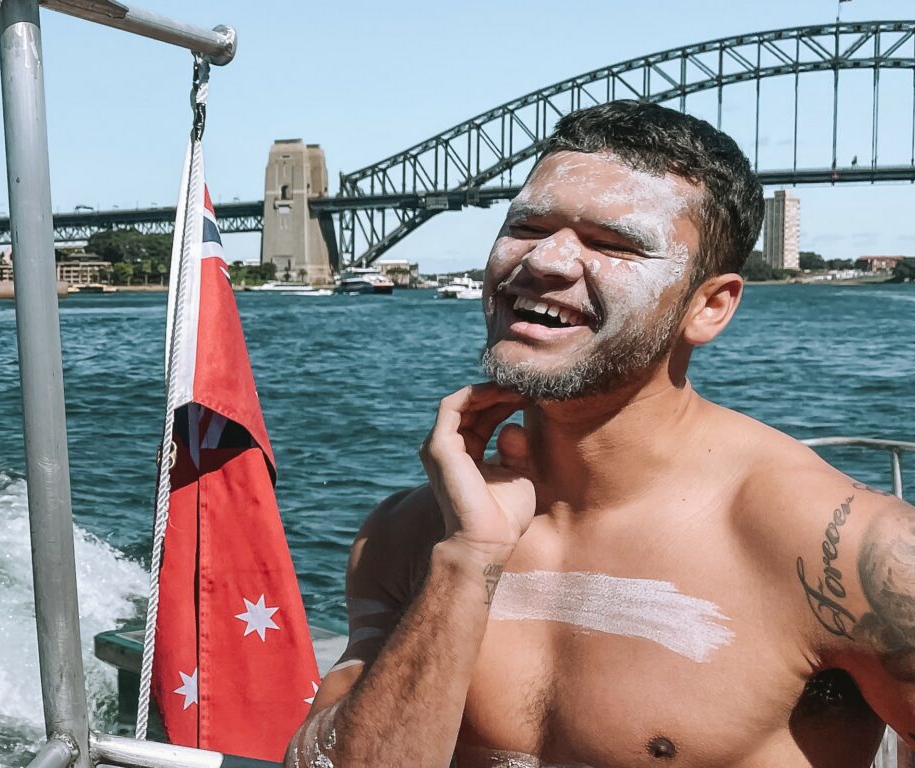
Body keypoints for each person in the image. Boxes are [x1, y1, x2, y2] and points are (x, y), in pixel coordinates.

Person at [289, 100, 915, 767]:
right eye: (527, 226)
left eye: (612, 244)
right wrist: (467, 561)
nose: (545, 262)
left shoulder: (844, 553)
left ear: (708, 307)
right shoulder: (410, 536)